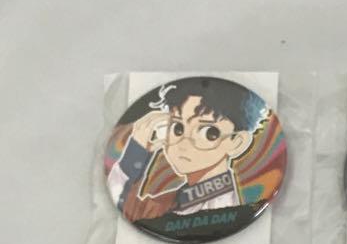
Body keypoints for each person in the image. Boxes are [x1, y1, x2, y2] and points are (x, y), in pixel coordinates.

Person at [108, 77, 268, 222]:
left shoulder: (215, 207)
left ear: (237, 142)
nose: (184, 144)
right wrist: (136, 152)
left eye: (209, 133)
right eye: (178, 128)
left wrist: (135, 155)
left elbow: (132, 211)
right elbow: (133, 211)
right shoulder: (185, 198)